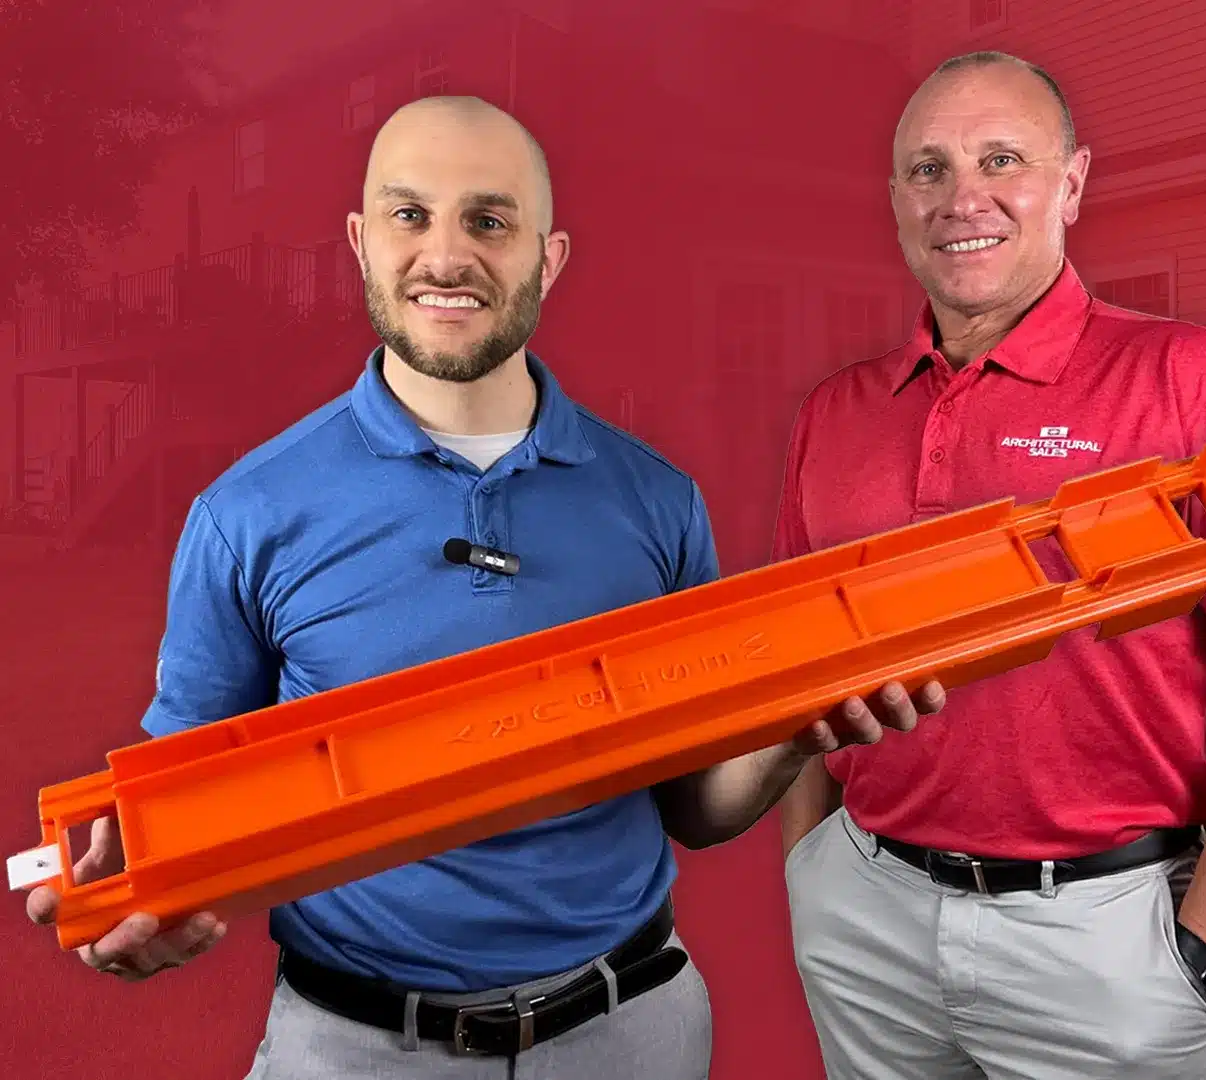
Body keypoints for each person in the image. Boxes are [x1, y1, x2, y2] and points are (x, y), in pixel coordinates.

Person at [23, 95, 940, 1079]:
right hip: (355, 1048)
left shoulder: (657, 502)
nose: (446, 255)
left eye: (490, 221)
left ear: (548, 258)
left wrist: (794, 735)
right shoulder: (246, 515)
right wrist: (130, 902)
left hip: (632, 1033)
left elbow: (694, 806)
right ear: (361, 242)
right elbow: (174, 805)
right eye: (409, 215)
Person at [773, 51, 1206, 1079]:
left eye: (1001, 158)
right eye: (928, 170)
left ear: (1073, 182)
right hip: (864, 913)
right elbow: (803, 672)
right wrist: (811, 868)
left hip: (1100, 936)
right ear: (896, 200)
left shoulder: (1202, 385)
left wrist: (1204, 950)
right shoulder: (836, 414)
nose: (963, 197)